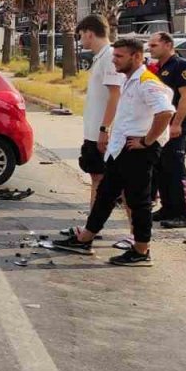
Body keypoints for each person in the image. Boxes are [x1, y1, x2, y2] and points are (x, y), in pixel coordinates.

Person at [52, 37, 174, 266]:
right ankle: (85, 238)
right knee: (106, 194)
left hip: (137, 151)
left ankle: (141, 251)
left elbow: (165, 113)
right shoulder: (130, 79)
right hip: (121, 149)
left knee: (138, 201)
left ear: (136, 57)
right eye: (114, 56)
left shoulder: (147, 82)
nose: (115, 61)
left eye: (119, 56)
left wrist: (147, 142)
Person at [64, 16, 123, 240]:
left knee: (108, 181)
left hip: (103, 133)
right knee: (96, 178)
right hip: (94, 131)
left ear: (90, 33)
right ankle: (92, 226)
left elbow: (115, 96)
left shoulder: (110, 57)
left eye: (80, 35)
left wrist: (104, 129)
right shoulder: (101, 58)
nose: (80, 40)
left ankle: (99, 229)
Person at [148, 32, 186, 229]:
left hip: (174, 126)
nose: (150, 49)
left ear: (168, 45)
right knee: (161, 169)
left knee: (176, 170)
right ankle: (168, 208)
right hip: (160, 126)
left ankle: (183, 214)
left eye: (154, 45)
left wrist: (176, 123)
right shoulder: (159, 68)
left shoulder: (182, 66)